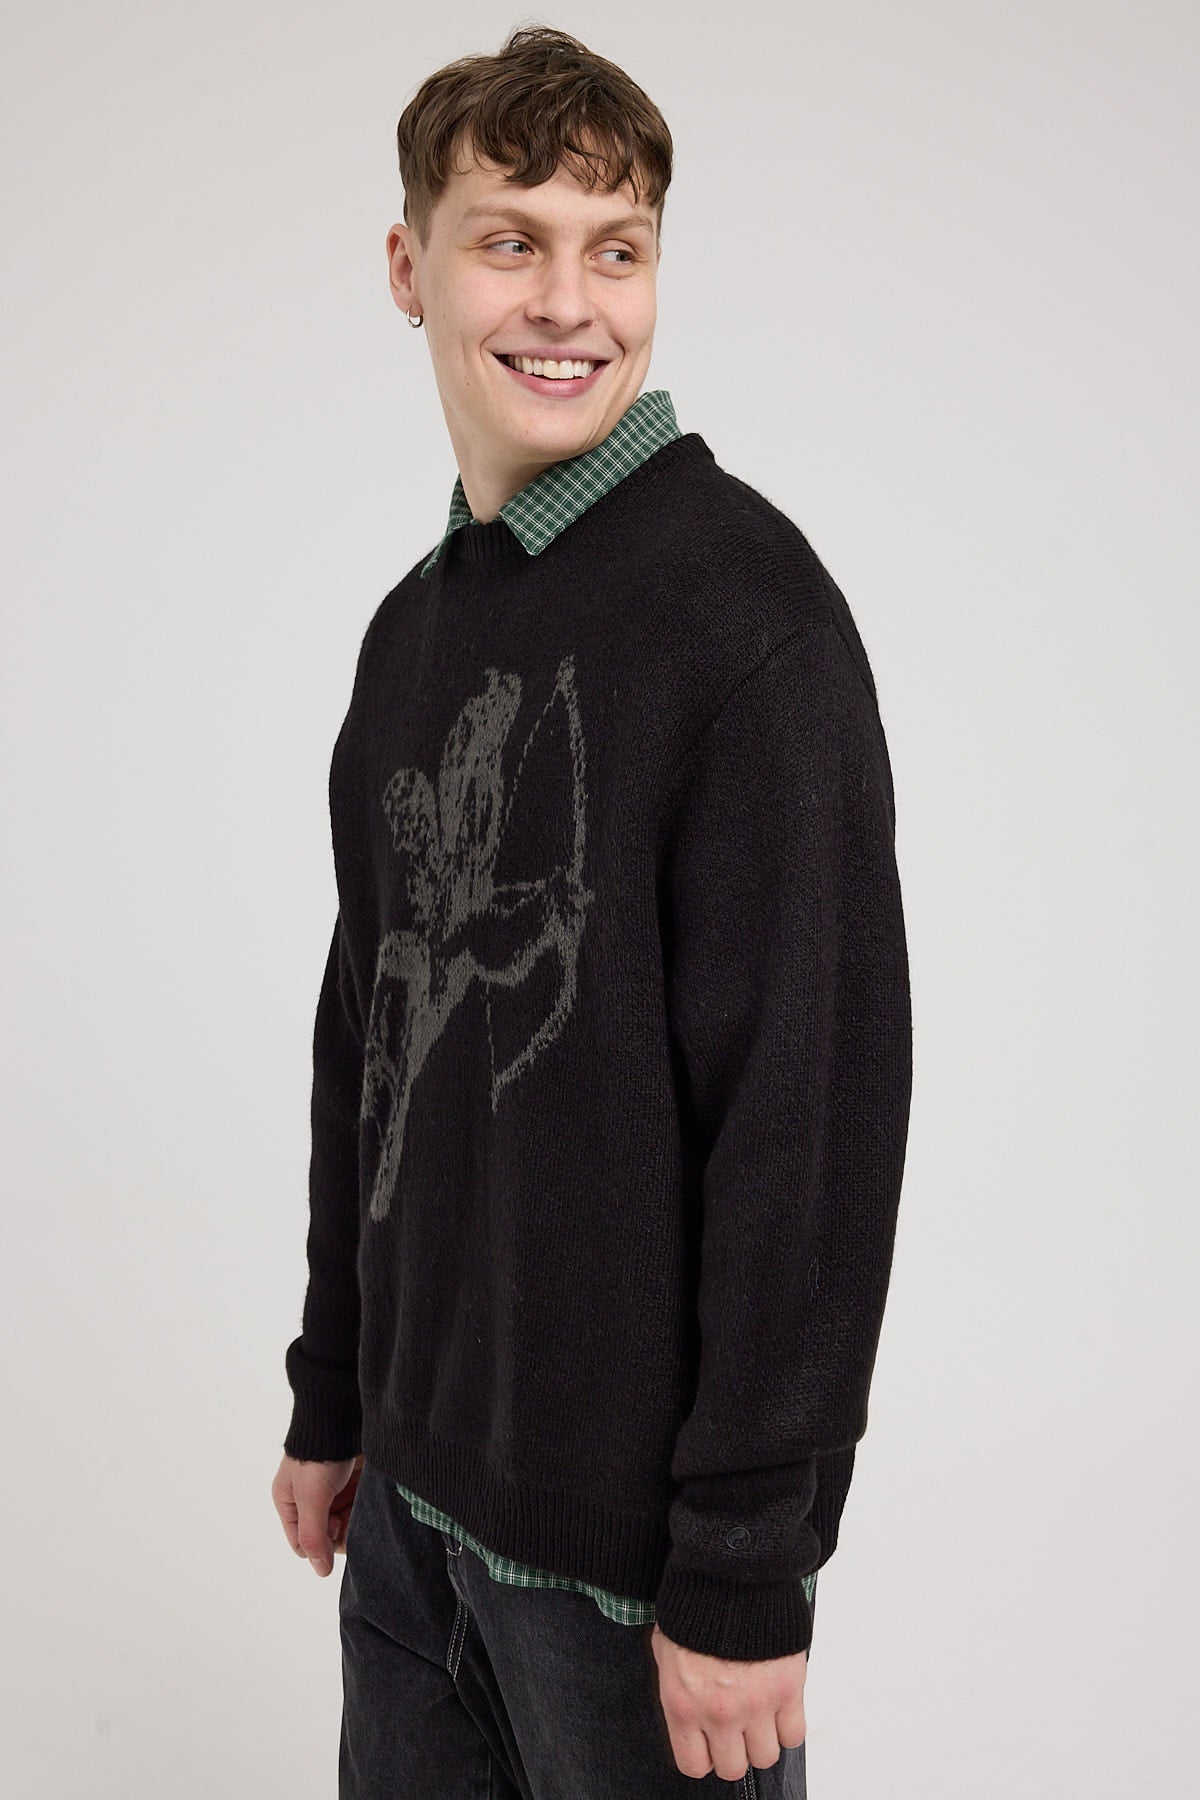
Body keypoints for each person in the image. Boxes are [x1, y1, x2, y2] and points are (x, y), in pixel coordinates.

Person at [270, 23, 913, 1798]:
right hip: (411, 1526)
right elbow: (367, 1046)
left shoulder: (747, 617)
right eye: (511, 241)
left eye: (615, 250)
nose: (569, 303)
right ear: (408, 267)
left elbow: (810, 1122)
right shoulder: (412, 632)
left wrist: (748, 1563)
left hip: (629, 1585)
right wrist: (338, 1394)